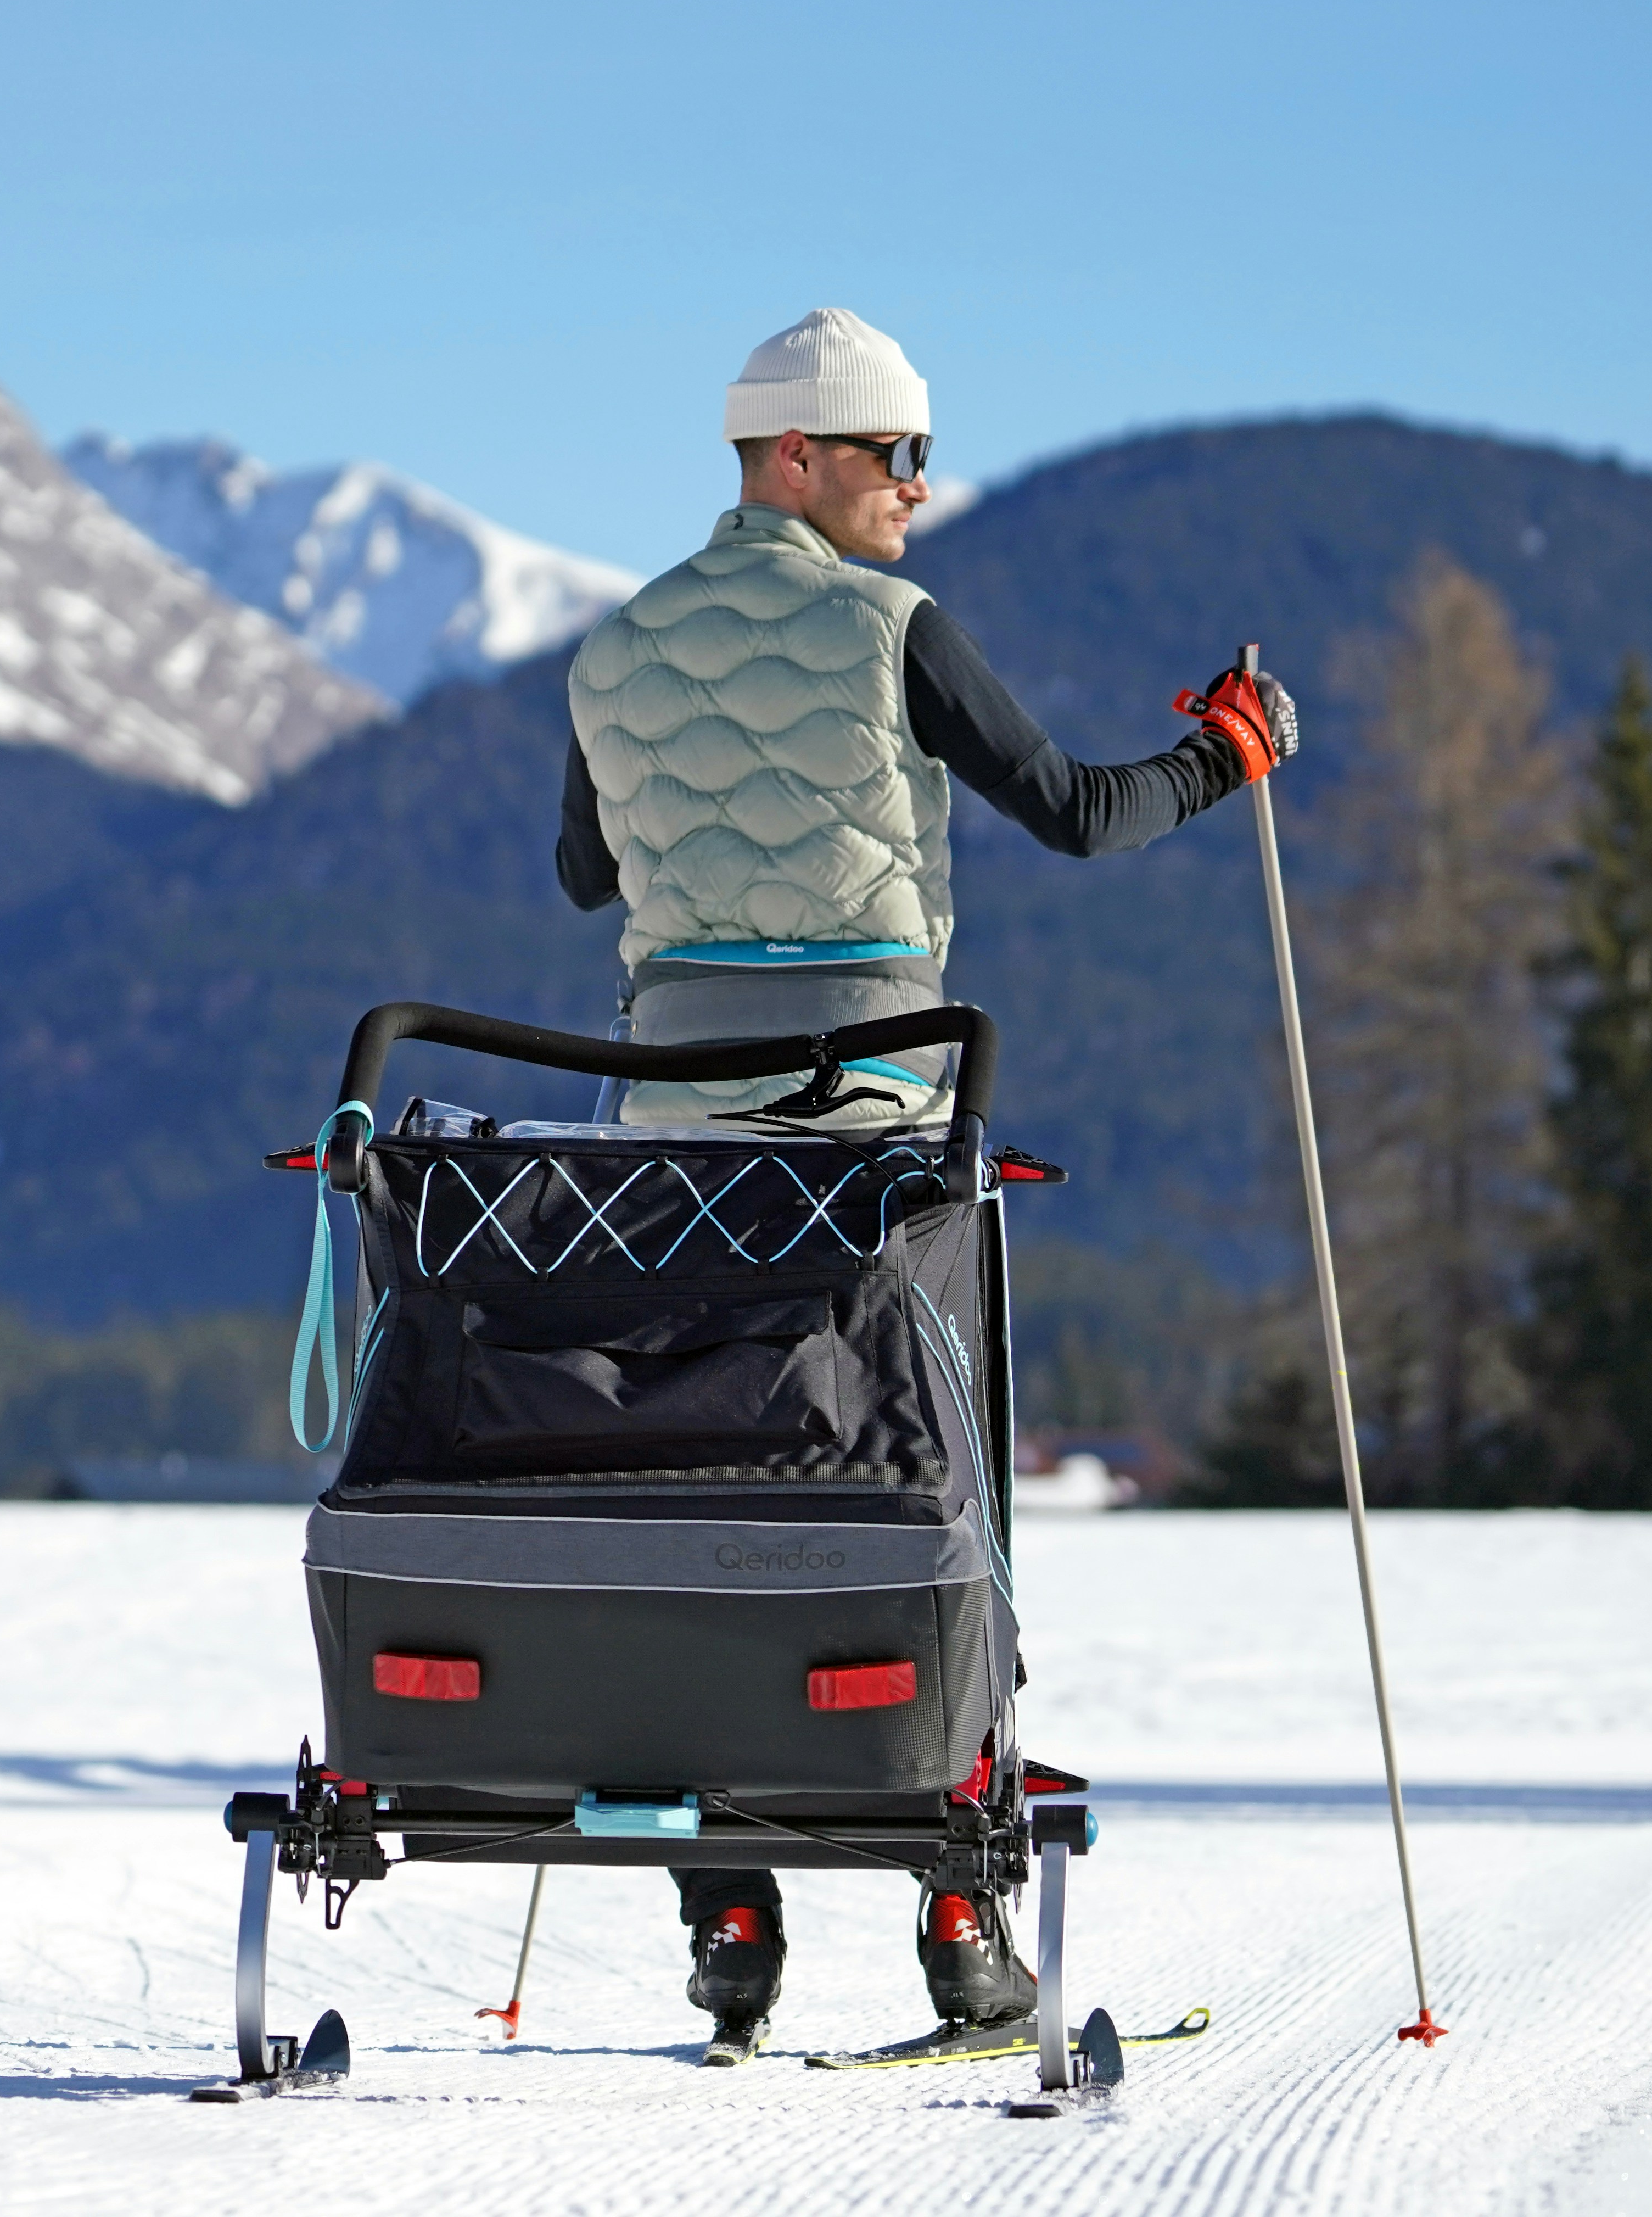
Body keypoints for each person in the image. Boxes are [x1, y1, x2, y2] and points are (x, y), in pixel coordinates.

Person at [552, 306, 1296, 2051]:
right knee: (916, 1476)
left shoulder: (610, 648)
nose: (917, 492)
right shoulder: (894, 629)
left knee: (682, 1482)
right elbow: (1078, 816)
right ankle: (963, 1915)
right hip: (871, 1133)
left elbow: (589, 879)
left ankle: (727, 1914)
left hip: (658, 1141)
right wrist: (1229, 753)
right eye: (895, 459)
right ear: (798, 459)